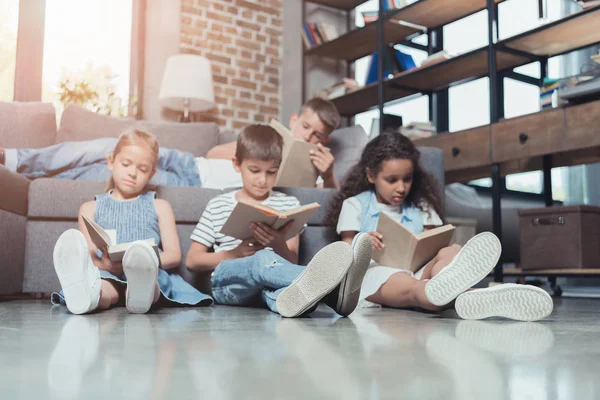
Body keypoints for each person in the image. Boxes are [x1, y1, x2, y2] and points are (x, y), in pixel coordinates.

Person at [325, 132, 554, 321]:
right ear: (371, 176)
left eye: (407, 179)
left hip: (418, 269)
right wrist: (363, 241)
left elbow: (433, 241)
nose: (402, 188)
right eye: (392, 180)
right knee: (416, 289)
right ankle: (468, 294)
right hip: (376, 275)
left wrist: (430, 244)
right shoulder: (355, 205)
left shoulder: (421, 207)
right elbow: (345, 245)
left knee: (451, 251)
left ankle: (454, 287)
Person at [185, 124, 372, 318]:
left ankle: (332, 299)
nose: (262, 180)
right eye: (254, 170)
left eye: (271, 172)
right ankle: (337, 285)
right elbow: (192, 260)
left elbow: (291, 260)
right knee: (261, 259)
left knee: (282, 295)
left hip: (267, 286)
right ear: (236, 164)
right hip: (228, 284)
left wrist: (277, 243)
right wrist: (234, 253)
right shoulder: (218, 205)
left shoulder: (288, 204)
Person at [0, 97, 342, 189]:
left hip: (188, 183)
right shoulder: (264, 138)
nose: (308, 138)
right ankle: (15, 159)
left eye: (316, 135)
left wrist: (326, 177)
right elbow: (213, 153)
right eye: (305, 127)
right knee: (112, 146)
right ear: (295, 121)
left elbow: (328, 206)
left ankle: (35, 184)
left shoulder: (312, 172)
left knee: (105, 175)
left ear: (323, 141)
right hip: (192, 162)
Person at [51, 129, 213, 315]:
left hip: (149, 271)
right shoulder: (89, 208)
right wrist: (107, 266)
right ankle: (87, 295)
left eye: (142, 169)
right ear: (111, 162)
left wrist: (142, 262)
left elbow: (174, 255)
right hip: (108, 272)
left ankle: (140, 295)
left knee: (147, 282)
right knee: (103, 286)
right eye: (126, 164)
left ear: (151, 174)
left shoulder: (160, 205)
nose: (133, 173)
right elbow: (91, 257)